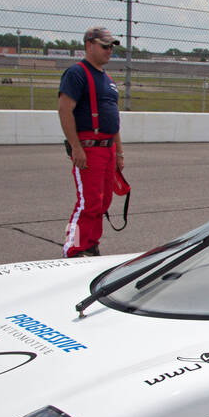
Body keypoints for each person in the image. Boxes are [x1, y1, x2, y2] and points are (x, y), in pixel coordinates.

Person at [59, 26, 124, 257]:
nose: (109, 51)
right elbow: (65, 109)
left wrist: (119, 153)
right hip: (89, 147)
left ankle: (90, 243)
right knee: (88, 203)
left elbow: (113, 116)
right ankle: (73, 248)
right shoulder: (76, 74)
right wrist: (76, 146)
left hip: (108, 148)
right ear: (89, 45)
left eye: (111, 47)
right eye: (105, 46)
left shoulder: (108, 79)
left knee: (103, 201)